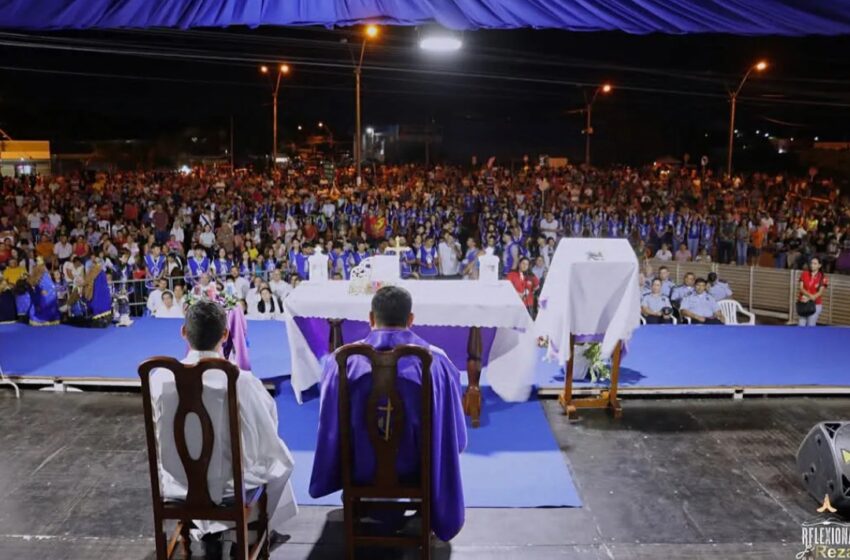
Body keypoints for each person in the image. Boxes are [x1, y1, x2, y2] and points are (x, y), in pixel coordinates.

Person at [310, 286, 466, 542]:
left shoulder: (342, 361)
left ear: (371, 318)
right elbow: (454, 437)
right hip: (419, 470)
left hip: (358, 468)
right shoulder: (436, 362)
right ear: (411, 319)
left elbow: (330, 429)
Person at [148, 301, 296, 546]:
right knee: (276, 458)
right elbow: (267, 428)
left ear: (184, 332)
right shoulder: (241, 381)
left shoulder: (160, 378)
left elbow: (156, 434)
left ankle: (207, 526)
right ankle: (260, 531)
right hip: (229, 486)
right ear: (225, 335)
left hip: (177, 482)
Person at [798, 257, 828, 327]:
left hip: (815, 305)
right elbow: (801, 288)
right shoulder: (804, 274)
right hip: (803, 303)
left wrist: (810, 298)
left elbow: (820, 292)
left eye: (815, 263)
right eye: (811, 263)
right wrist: (810, 296)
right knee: (800, 325)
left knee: (811, 326)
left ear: (819, 265)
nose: (812, 265)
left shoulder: (823, 277)